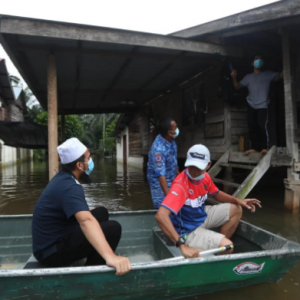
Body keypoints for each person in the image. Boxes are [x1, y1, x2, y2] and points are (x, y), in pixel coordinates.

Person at [32, 138, 131, 276]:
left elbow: (82, 214)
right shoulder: (69, 187)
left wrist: (89, 216)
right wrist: (111, 257)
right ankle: (90, 275)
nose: (90, 162)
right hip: (50, 251)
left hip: (54, 239)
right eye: (88, 158)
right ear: (79, 165)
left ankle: (95, 256)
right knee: (113, 228)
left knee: (101, 212)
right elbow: (86, 221)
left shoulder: (64, 178)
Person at [155, 144, 261, 258]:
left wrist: (238, 200)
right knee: (229, 246)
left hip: (200, 215)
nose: (194, 171)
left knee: (236, 209)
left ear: (208, 165)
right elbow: (160, 215)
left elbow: (216, 194)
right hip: (187, 229)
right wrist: (181, 245)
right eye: (191, 166)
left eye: (198, 167)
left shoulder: (205, 177)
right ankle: (213, 247)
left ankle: (215, 247)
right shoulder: (180, 185)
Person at [231, 54, 283, 155]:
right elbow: (237, 87)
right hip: (251, 105)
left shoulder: (268, 74)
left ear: (262, 63)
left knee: (262, 126)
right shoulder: (248, 77)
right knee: (252, 127)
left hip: (263, 106)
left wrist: (287, 63)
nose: (258, 61)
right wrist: (234, 77)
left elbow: (280, 76)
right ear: (252, 63)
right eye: (256, 59)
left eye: (260, 59)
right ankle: (254, 148)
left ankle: (264, 148)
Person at [147, 117, 179, 209]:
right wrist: (169, 197)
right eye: (175, 128)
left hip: (171, 177)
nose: (177, 130)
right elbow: (161, 176)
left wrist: (180, 179)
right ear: (169, 132)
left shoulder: (171, 140)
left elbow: (174, 162)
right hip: (160, 184)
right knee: (164, 207)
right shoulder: (158, 150)